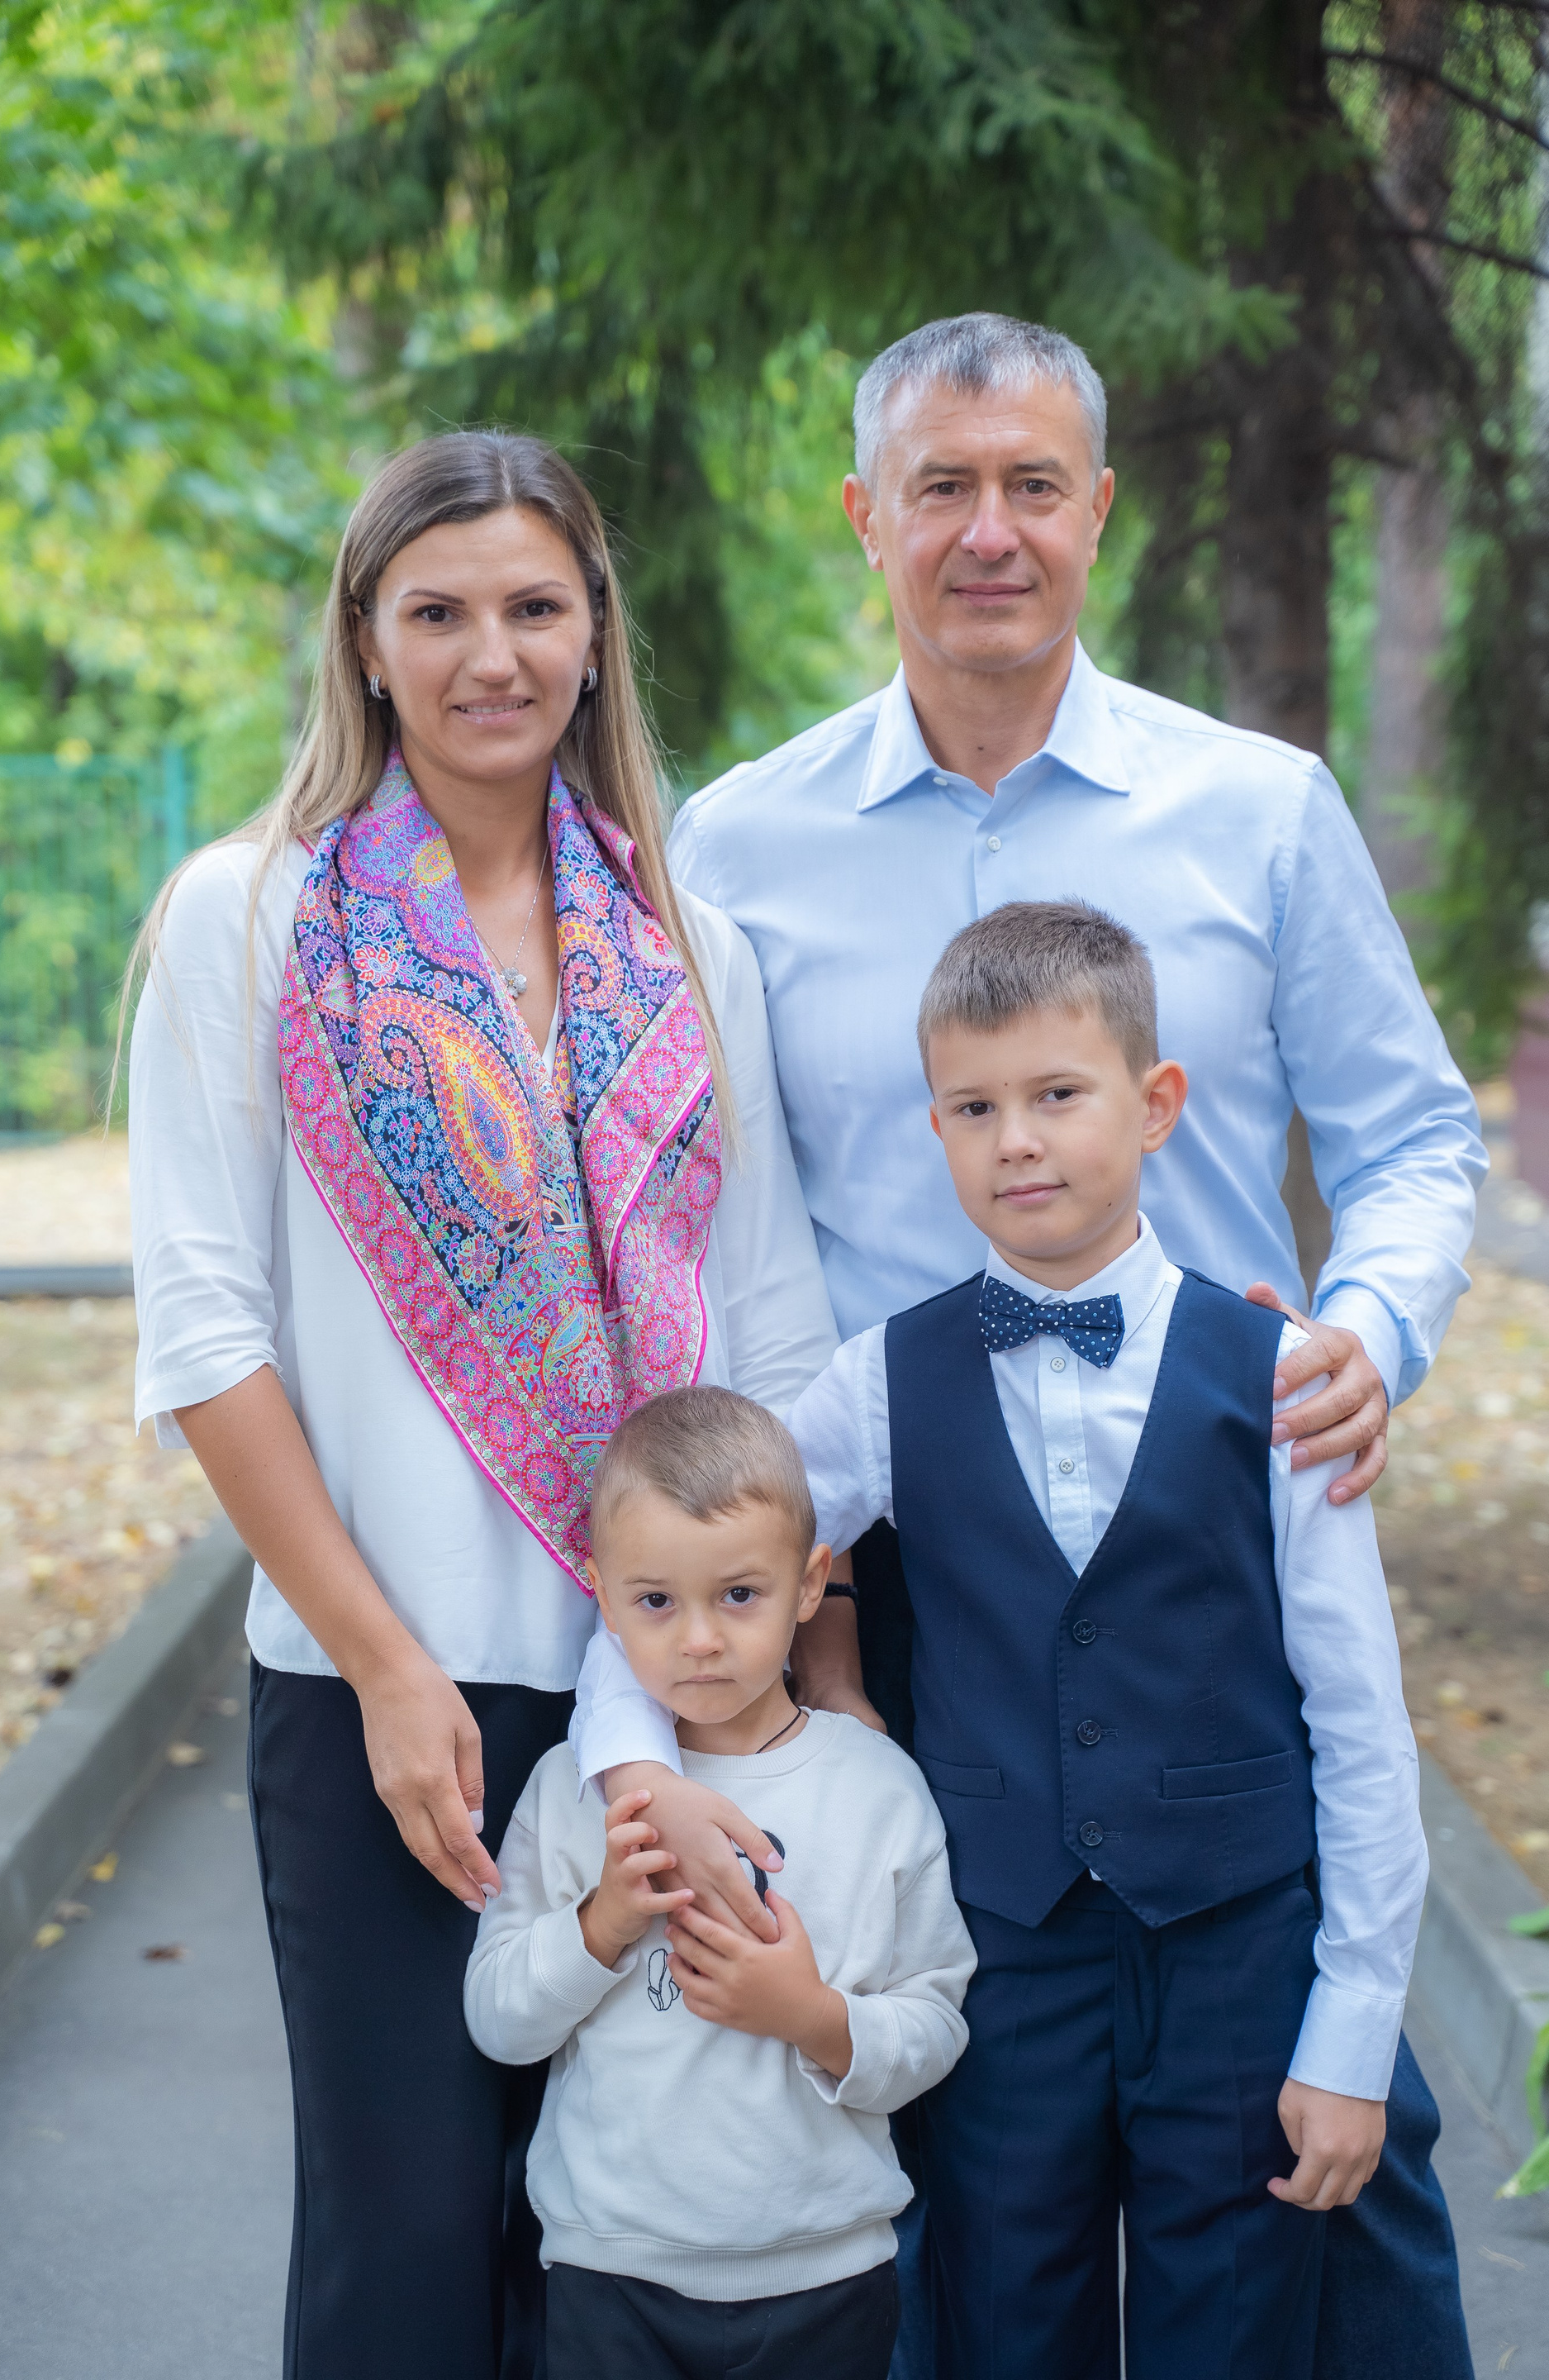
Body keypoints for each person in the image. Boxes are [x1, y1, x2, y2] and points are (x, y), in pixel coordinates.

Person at [571, 315, 1482, 2378]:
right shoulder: (737, 846)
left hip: (1223, 1526)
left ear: (1098, 510)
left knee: (1310, 2183)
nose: (990, 530)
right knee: (973, 2164)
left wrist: (1363, 1331)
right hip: (896, 1565)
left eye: (1034, 485)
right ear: (866, 515)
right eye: (944, 487)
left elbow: (1418, 1139)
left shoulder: (1258, 808)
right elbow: (687, 1214)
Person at [126, 431, 838, 2379]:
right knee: (411, 2229)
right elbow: (205, 1327)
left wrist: (803, 1675)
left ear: (596, 633)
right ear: (366, 641)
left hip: (664, 1691)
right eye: (437, 612)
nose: (491, 655)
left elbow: (772, 1326)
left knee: (620, 2236)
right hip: (385, 1693)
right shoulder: (252, 918)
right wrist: (380, 1666)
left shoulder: (689, 946)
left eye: (535, 606)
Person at [786, 902, 1427, 2377]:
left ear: (1155, 1106)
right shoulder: (879, 1381)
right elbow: (716, 1556)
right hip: (1001, 1963)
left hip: (1238, 1959)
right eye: (974, 1108)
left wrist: (1350, 2039)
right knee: (1002, 2326)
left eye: (1058, 1095)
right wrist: (635, 1743)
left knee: (1237, 2334)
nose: (1017, 1141)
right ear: (936, 1130)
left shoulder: (1285, 1375)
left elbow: (1361, 1724)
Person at [465, 1386, 974, 2380]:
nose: (699, 1639)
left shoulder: (877, 1788)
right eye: (656, 1601)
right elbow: (499, 2023)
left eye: (739, 1595)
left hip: (826, 2274)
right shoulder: (575, 1792)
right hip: (611, 2270)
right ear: (602, 1594)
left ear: (810, 1584)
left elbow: (937, 2024)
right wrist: (602, 1924)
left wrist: (813, 2017)